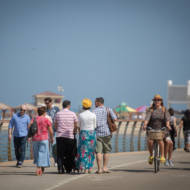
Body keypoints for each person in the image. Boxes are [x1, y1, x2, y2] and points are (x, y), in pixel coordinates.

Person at [143, 94, 171, 165]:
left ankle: (162, 156)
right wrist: (145, 124)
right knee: (150, 141)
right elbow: (147, 118)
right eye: (155, 100)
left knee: (160, 140)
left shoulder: (164, 109)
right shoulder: (151, 110)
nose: (157, 101)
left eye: (158, 100)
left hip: (161, 129)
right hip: (152, 128)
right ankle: (151, 155)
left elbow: (167, 119)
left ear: (161, 101)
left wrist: (167, 125)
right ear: (153, 101)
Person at [93, 97, 117, 174]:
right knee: (106, 151)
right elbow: (115, 119)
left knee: (98, 152)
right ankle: (105, 168)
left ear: (98, 102)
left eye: (95, 102)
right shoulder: (108, 109)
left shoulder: (94, 111)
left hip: (97, 133)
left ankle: (99, 169)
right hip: (107, 133)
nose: (94, 103)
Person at [54, 100, 78, 174]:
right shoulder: (73, 114)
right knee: (69, 153)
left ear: (62, 105)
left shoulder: (58, 114)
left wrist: (58, 130)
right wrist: (74, 131)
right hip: (70, 136)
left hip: (60, 136)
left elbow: (55, 124)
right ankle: (68, 169)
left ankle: (60, 169)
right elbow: (76, 124)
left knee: (60, 154)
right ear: (69, 106)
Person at [29, 106, 54, 176]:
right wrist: (52, 138)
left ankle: (40, 167)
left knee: (37, 153)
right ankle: (39, 168)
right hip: (44, 139)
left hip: (35, 139)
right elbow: (51, 131)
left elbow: (29, 126)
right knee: (42, 153)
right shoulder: (46, 120)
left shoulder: (34, 119)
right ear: (44, 112)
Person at [76, 98, 96, 174]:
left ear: (83, 106)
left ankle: (84, 168)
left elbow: (78, 126)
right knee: (91, 151)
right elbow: (95, 126)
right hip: (91, 134)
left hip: (83, 134)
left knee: (83, 151)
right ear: (90, 106)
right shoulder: (93, 115)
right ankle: (90, 167)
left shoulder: (80, 115)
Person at [44, 97, 59, 165]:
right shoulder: (44, 110)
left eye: (48, 103)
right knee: (47, 147)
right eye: (46, 103)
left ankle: (56, 161)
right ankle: (47, 161)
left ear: (51, 102)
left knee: (54, 146)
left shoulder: (56, 109)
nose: (47, 104)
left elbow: (59, 118)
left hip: (55, 130)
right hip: (46, 131)